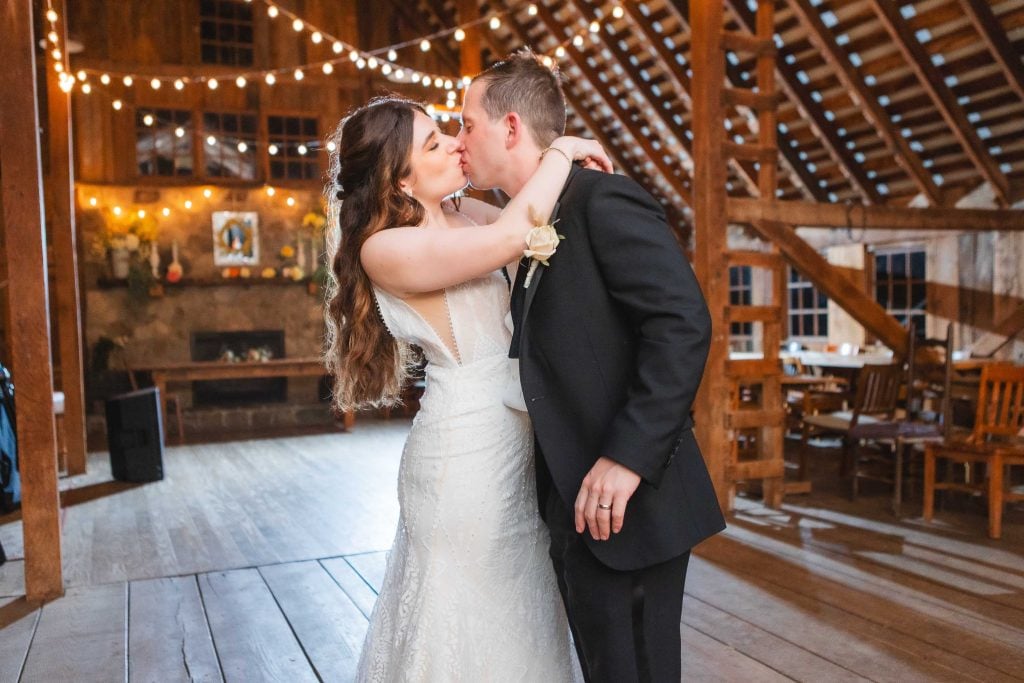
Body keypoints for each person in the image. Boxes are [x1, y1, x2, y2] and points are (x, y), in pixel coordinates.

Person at [457, 50, 727, 682]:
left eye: (468, 123)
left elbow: (682, 323)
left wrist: (628, 456)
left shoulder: (602, 201)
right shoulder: (525, 223)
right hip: (568, 500)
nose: (460, 138)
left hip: (631, 499)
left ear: (513, 127)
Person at [322, 95, 611, 681]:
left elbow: (532, 219)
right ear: (398, 179)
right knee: (463, 615)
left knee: (520, 610)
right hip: (463, 459)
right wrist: (563, 148)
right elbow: (514, 235)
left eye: (448, 132)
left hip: (519, 444)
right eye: (433, 144)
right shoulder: (384, 249)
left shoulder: (468, 215)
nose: (455, 143)